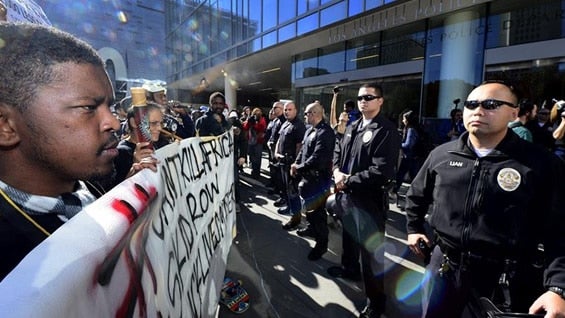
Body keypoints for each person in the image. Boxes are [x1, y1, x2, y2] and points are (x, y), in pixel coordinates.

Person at [0, 23, 153, 280]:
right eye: (87, 107)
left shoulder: (86, 189)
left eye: (110, 106)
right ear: (6, 127)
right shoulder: (12, 266)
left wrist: (127, 197)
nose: (114, 123)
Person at [405, 81, 565, 317]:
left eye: (491, 104)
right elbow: (416, 195)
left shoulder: (541, 163)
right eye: (471, 104)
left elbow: (560, 229)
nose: (478, 111)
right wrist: (414, 227)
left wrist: (557, 288)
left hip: (504, 280)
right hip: (444, 268)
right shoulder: (442, 155)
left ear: (513, 112)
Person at [329, 83, 400, 318]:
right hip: (347, 196)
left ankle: (376, 303)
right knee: (348, 238)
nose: (363, 101)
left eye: (369, 97)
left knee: (371, 256)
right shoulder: (353, 126)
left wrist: (347, 180)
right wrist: (337, 171)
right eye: (360, 97)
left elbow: (382, 172)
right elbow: (339, 150)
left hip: (369, 201)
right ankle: (348, 269)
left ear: (380, 101)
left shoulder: (386, 130)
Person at [290, 102, 335, 261]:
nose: (305, 116)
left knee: (318, 214)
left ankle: (321, 245)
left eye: (307, 113)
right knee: (309, 210)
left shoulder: (326, 132)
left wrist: (298, 167)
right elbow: (303, 150)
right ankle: (311, 229)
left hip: (318, 180)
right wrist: (296, 163)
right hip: (307, 178)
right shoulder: (310, 130)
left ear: (316, 113)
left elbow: (318, 158)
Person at [274, 101, 306, 229]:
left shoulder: (299, 126)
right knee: (286, 188)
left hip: (291, 163)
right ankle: (289, 207)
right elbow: (279, 139)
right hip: (282, 162)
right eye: (286, 110)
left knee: (293, 191)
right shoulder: (286, 123)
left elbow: (300, 147)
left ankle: (295, 217)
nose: (287, 112)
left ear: (296, 110)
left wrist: (295, 164)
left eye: (290, 109)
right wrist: (276, 152)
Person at [392, 110, 422, 196]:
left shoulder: (411, 130)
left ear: (408, 120)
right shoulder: (416, 128)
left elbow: (408, 144)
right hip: (413, 157)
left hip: (409, 157)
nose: (403, 121)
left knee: (401, 175)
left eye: (404, 119)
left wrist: (398, 144)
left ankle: (394, 191)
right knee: (413, 177)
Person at [242, 107, 267, 178]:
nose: (257, 114)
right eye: (256, 113)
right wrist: (249, 122)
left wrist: (255, 124)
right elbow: (245, 127)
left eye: (258, 113)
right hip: (250, 140)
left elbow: (262, 128)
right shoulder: (250, 119)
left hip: (258, 141)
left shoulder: (262, 119)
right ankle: (253, 170)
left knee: (258, 157)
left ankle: (257, 172)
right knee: (252, 156)